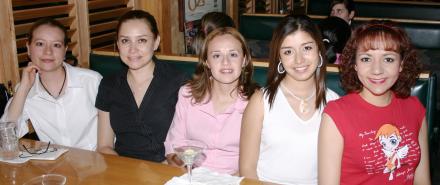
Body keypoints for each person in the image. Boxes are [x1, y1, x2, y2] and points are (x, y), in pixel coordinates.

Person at [318, 21, 431, 185]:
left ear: (401, 65)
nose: (377, 70)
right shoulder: (336, 115)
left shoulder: (415, 108)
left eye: (389, 59)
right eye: (366, 59)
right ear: (355, 65)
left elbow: (422, 180)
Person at [239, 15, 339, 184]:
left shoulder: (334, 103)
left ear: (319, 50)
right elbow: (247, 169)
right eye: (288, 51)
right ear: (279, 57)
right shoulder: (260, 102)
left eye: (306, 48)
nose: (299, 60)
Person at [95, 10, 189, 162]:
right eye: (125, 41)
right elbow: (104, 146)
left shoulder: (178, 81)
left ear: (156, 42)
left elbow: (189, 145)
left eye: (142, 40)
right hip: (122, 169)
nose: (133, 49)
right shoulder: (109, 84)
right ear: (118, 44)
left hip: (166, 169)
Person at [164, 27, 258, 174]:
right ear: (207, 62)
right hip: (190, 175)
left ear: (244, 60)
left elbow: (260, 159)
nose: (225, 62)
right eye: (216, 56)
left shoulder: (256, 102)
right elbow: (174, 145)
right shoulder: (188, 94)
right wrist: (186, 173)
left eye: (233, 54)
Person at [0, 18, 102, 150]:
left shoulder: (92, 81)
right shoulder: (26, 90)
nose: (48, 51)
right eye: (40, 44)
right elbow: (5, 138)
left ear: (65, 50)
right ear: (28, 48)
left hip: (98, 162)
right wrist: (24, 88)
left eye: (56, 45)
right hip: (57, 166)